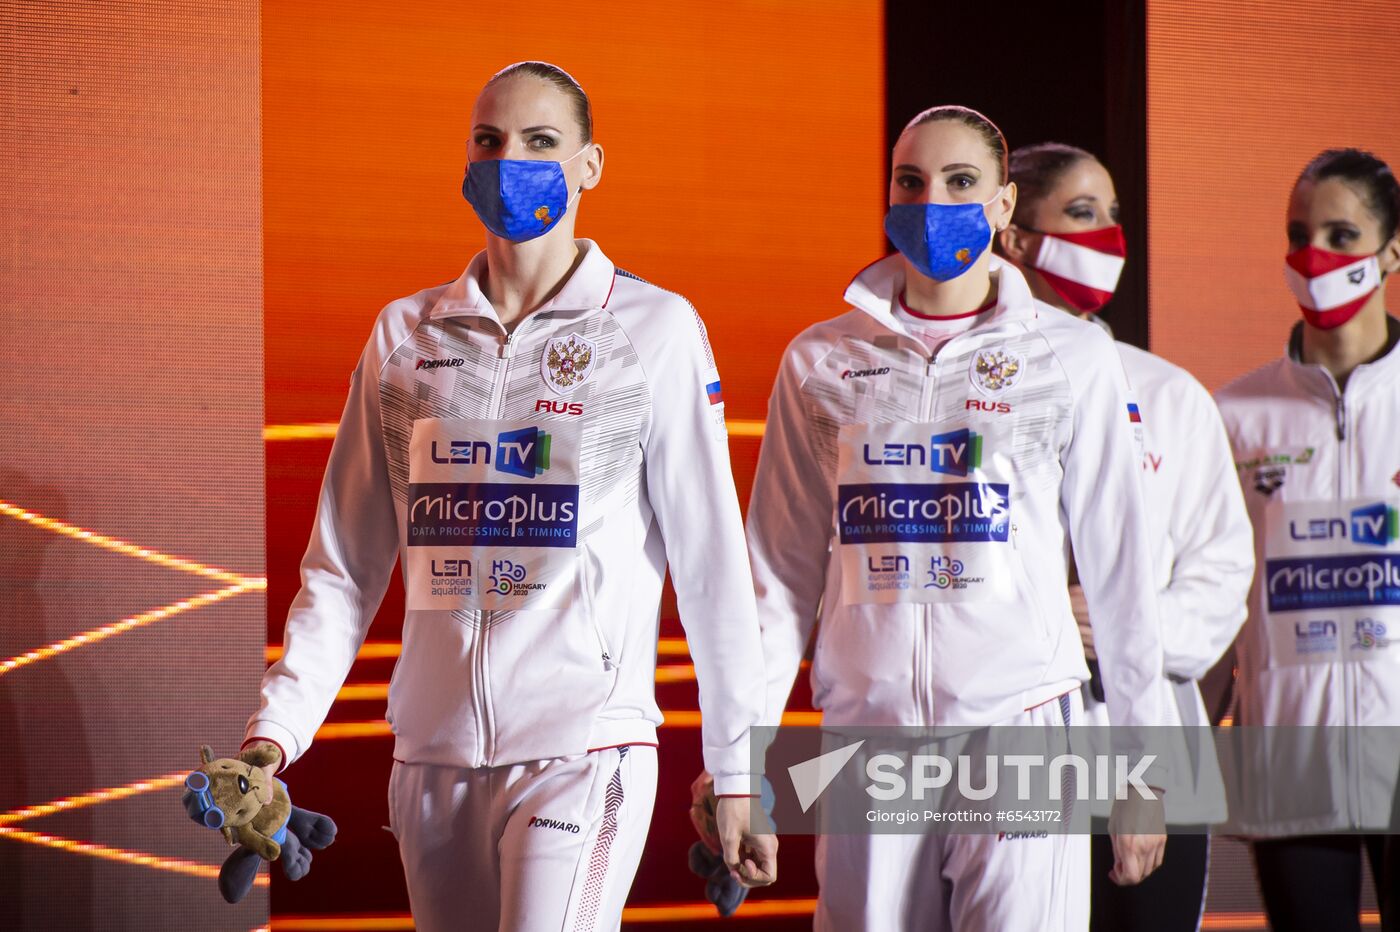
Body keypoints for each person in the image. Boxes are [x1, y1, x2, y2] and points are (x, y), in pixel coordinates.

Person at [238, 61, 776, 931]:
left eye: (539, 141)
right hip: (430, 759)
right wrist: (273, 740)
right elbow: (341, 571)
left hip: (585, 746)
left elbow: (713, 571)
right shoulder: (404, 337)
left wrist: (739, 772)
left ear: (591, 165)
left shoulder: (655, 331)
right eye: (488, 141)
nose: (508, 160)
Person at [738, 105, 1169, 931]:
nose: (932, 202)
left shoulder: (1071, 357)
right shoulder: (820, 360)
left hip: (1019, 730)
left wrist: (1145, 771)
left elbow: (1120, 574)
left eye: (961, 182)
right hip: (867, 734)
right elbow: (780, 576)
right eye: (911, 182)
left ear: (1004, 207)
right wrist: (740, 754)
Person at [997, 141, 1255, 931]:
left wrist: (1121, 626)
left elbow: (1221, 578)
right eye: (1081, 214)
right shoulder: (966, 391)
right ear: (1012, 234)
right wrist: (1035, 621)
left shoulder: (1170, 395)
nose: (1108, 236)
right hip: (1007, 749)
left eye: (1113, 217)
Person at [1214, 147, 1400, 932]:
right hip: (1290, 761)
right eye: (1299, 233)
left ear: (1391, 251)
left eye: (1341, 234)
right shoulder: (1235, 413)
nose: (1314, 256)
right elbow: (1216, 597)